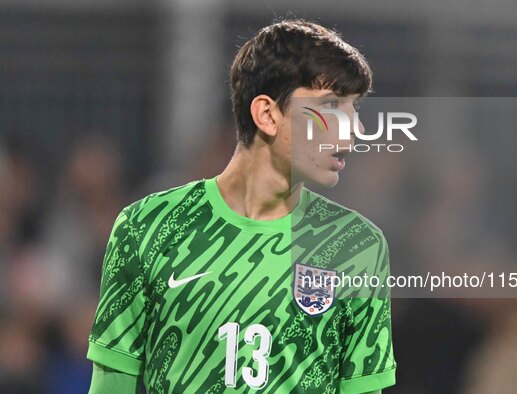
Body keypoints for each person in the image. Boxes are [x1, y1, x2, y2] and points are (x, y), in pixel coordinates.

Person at [87, 19, 397, 393]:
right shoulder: (147, 228)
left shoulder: (356, 245)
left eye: (354, 108)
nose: (353, 130)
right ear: (267, 114)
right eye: (331, 106)